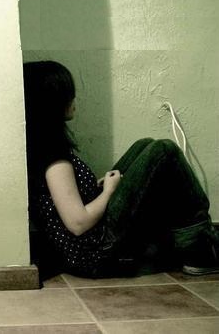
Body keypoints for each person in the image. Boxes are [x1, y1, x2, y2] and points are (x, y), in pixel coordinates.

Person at [23, 60, 219, 279]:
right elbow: (77, 223)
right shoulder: (54, 158)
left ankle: (192, 243)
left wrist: (95, 187)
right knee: (164, 150)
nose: (74, 100)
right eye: (68, 94)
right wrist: (108, 192)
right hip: (95, 254)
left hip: (89, 245)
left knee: (144, 145)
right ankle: (199, 249)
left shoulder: (44, 148)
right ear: (52, 103)